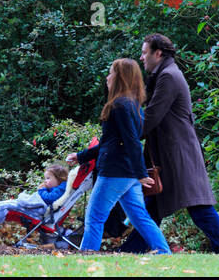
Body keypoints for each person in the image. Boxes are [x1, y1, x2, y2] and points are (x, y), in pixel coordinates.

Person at [118, 33, 219, 255]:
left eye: (144, 53)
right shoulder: (165, 74)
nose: (141, 58)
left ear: (158, 53)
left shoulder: (169, 77)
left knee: (199, 207)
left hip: (180, 155)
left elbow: (151, 117)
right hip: (170, 155)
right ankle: (130, 250)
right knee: (153, 207)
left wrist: (125, 138)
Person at [67, 57, 171, 254]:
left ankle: (85, 260)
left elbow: (132, 141)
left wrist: (141, 173)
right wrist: (81, 156)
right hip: (129, 174)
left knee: (95, 217)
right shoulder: (134, 106)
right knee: (140, 217)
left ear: (120, 77)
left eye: (111, 72)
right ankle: (164, 253)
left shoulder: (119, 105)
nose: (107, 77)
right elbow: (111, 142)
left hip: (116, 173)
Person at [0, 162, 68, 228]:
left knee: (11, 206)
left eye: (48, 178)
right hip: (39, 204)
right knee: (14, 203)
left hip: (40, 210)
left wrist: (42, 190)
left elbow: (49, 198)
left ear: (58, 178)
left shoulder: (61, 188)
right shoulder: (57, 187)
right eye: (45, 178)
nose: (45, 181)